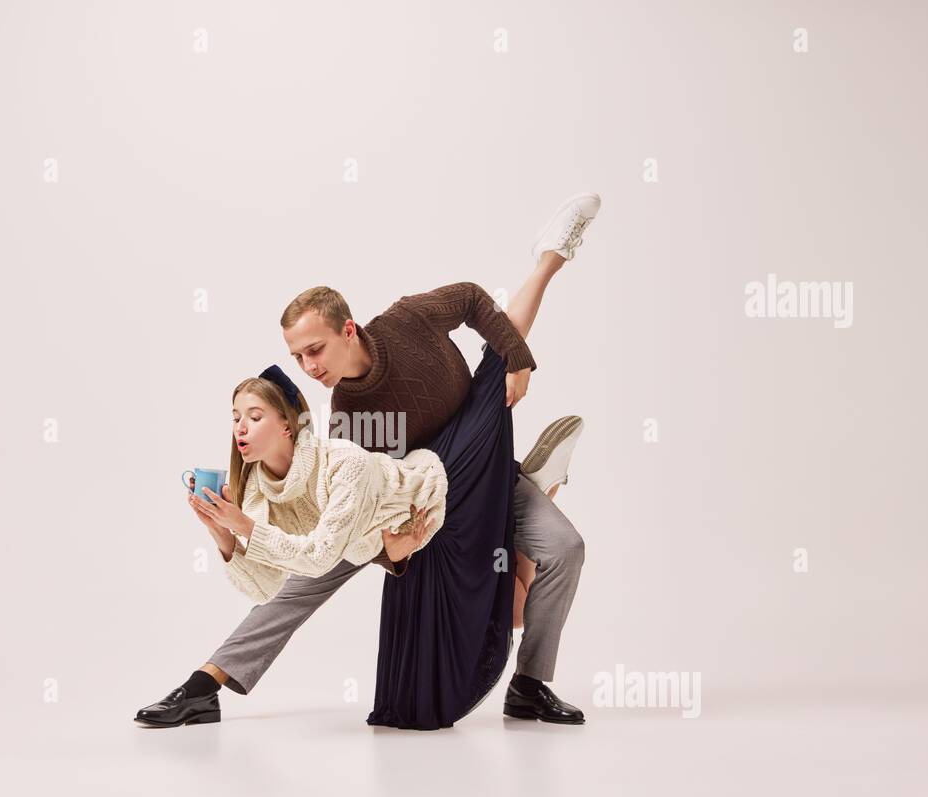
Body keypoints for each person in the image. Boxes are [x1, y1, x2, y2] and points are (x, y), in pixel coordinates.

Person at [135, 193, 598, 729]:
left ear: (347, 330)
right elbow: (362, 502)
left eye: (316, 350)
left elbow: (473, 300)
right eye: (298, 358)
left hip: (479, 456)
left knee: (565, 548)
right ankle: (204, 685)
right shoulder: (347, 416)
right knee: (310, 573)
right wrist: (391, 555)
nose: (308, 367)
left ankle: (530, 685)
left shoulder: (408, 320)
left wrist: (517, 358)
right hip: (417, 499)